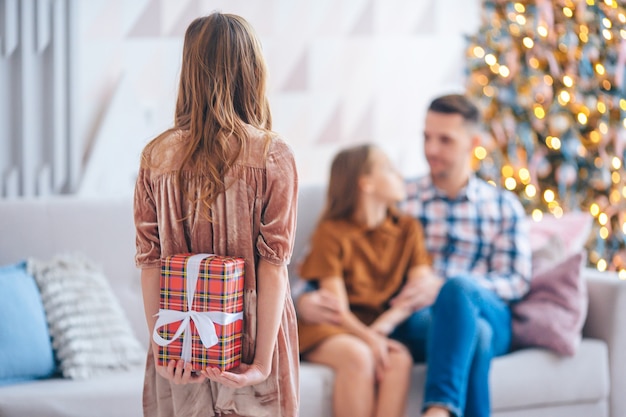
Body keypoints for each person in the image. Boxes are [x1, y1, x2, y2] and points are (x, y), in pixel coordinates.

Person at [297, 94, 532, 417]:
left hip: (485, 308)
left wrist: (448, 287)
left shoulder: (503, 208)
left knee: (461, 296)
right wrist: (301, 300)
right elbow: (326, 260)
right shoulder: (401, 200)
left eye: (445, 140)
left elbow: (517, 281)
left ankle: (438, 409)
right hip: (423, 320)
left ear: (474, 143)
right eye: (426, 138)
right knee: (475, 335)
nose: (431, 150)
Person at [133, 13, 299, 417]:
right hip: (252, 336)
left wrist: (164, 350)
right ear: (253, 70)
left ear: (189, 72)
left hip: (181, 336)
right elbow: (273, 266)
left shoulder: (156, 157)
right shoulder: (272, 155)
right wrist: (261, 363)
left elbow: (150, 263)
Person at [297, 144, 439, 417]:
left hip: (375, 326)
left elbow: (416, 293)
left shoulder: (408, 228)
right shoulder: (332, 232)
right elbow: (336, 310)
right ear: (366, 184)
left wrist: (379, 331)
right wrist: (370, 339)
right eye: (388, 168)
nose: (399, 175)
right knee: (358, 356)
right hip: (332, 327)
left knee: (399, 360)